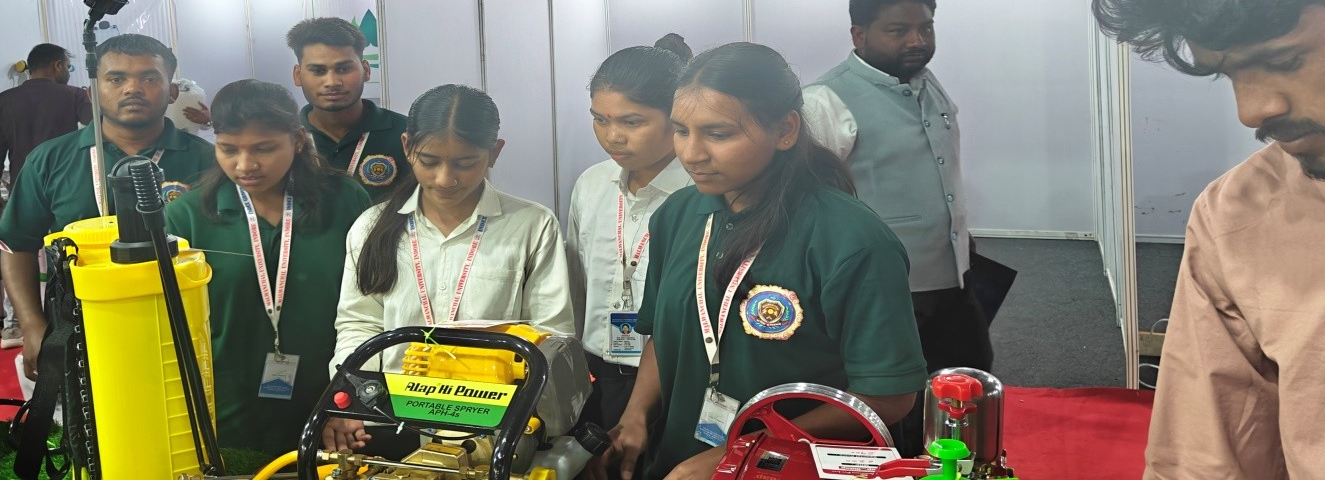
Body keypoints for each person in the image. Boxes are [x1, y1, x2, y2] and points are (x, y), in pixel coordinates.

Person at [1091, 0, 1325, 477]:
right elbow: (1205, 462)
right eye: (1229, 74)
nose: (1253, 111)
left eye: (1285, 60)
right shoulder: (1238, 216)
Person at [598, 43, 925, 480]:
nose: (691, 153)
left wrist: (743, 451)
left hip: (787, 469)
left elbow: (888, 396)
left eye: (718, 134)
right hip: (678, 462)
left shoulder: (851, 240)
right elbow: (664, 333)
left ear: (785, 130)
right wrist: (636, 415)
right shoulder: (677, 215)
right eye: (681, 130)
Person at [324, 84, 574, 452]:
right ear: (407, 146)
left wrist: (527, 412)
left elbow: (550, 335)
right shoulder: (372, 227)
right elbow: (359, 323)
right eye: (429, 161)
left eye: (465, 163)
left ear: (494, 152)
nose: (445, 178)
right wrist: (350, 396)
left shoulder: (531, 225)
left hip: (492, 419)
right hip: (390, 416)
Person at [800, 0, 990, 453]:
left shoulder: (927, 83)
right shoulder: (825, 99)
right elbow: (809, 201)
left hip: (952, 273)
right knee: (896, 405)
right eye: (898, 30)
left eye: (925, 28)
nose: (917, 41)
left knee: (968, 384)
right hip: (883, 287)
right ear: (858, 34)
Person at [166, 80, 372, 454]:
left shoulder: (344, 199)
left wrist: (349, 397)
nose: (245, 165)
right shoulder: (187, 217)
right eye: (229, 149)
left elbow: (371, 306)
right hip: (226, 413)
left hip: (332, 408)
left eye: (264, 148)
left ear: (297, 140)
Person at [0, 34, 214, 381]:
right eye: (116, 78)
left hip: (187, 328)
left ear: (172, 92)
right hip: (81, 332)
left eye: (149, 78)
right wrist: (33, 325)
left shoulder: (210, 162)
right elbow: (16, 244)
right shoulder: (51, 159)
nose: (132, 88)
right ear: (92, 92)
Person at [565, 34, 693, 435]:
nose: (612, 136)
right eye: (600, 120)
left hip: (674, 380)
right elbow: (576, 284)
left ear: (676, 115)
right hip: (594, 375)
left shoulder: (701, 192)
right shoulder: (592, 183)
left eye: (631, 122)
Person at [0, 42, 91, 349]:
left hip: (23, 187)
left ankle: (14, 326)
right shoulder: (73, 95)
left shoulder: (2, 101)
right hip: (67, 186)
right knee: (63, 259)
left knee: (16, 252)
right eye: (68, 66)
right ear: (57, 65)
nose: (68, 72)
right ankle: (69, 323)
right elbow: (100, 133)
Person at [286, 18, 409, 201]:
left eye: (344, 69)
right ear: (298, 75)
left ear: (366, 70)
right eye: (318, 71)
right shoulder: (283, 138)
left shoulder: (406, 132)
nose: (332, 82)